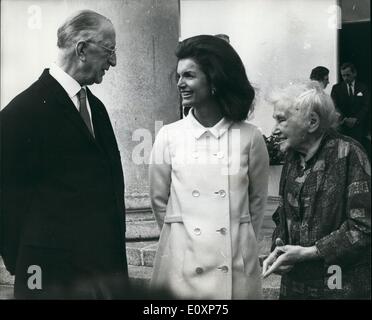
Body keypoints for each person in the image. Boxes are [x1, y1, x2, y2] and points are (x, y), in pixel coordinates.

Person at [0, 10, 129, 299]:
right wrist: (27, 262)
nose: (114, 61)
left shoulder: (97, 109)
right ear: (82, 49)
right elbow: (6, 201)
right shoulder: (21, 113)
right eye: (110, 50)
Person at [149, 35, 269, 299]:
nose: (180, 83)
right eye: (179, 76)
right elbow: (159, 201)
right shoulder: (168, 136)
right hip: (182, 269)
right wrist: (181, 243)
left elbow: (257, 204)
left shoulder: (250, 137)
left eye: (189, 75)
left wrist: (241, 244)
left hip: (235, 268)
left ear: (214, 80)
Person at [262, 81, 371, 299]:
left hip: (339, 285)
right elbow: (282, 215)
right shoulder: (293, 158)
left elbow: (363, 227)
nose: (274, 129)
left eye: (281, 119)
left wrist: (309, 253)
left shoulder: (349, 154)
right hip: (295, 286)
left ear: (312, 122)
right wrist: (279, 247)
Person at [331, 62, 370, 148]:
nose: (345, 78)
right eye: (343, 75)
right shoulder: (336, 88)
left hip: (358, 127)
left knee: (357, 149)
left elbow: (366, 106)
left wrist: (356, 119)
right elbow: (334, 106)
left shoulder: (363, 88)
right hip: (342, 126)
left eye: (348, 75)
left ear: (354, 73)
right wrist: (345, 119)